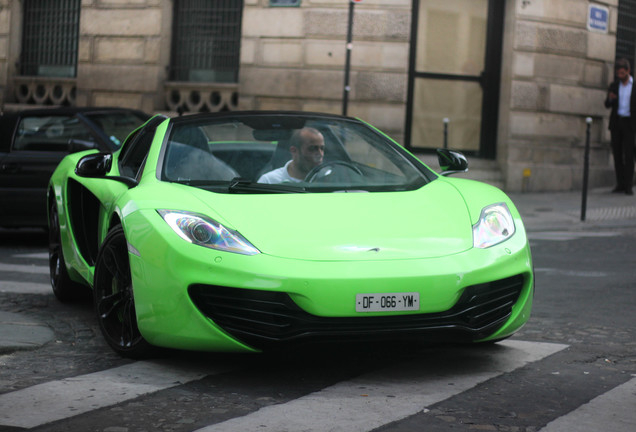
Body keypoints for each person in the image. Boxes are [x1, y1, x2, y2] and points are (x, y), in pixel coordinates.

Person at [605, 58, 636, 195]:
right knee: (617, 155)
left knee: (629, 156)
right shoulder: (614, 85)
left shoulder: (634, 86)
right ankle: (620, 184)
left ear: (628, 71)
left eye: (623, 73)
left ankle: (628, 186)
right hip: (617, 123)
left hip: (630, 124)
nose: (620, 76)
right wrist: (611, 98)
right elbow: (607, 104)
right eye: (618, 74)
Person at [258, 127, 325, 183]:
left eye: (322, 148)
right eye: (312, 148)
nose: (320, 154)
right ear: (294, 151)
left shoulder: (328, 180)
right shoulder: (269, 181)